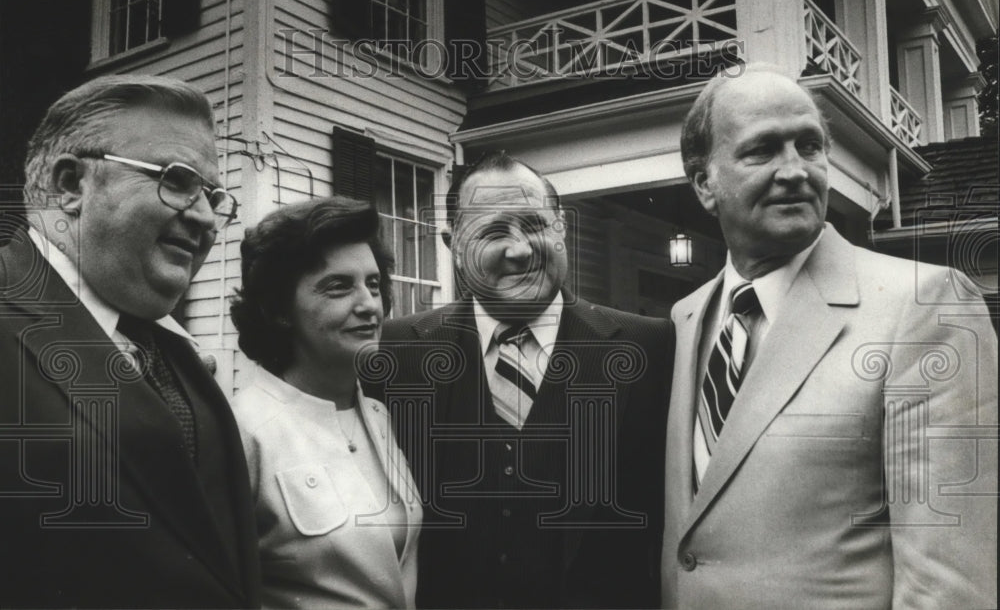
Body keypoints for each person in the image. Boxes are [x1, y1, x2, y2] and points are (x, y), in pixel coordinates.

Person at [661, 63, 998, 608]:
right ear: (705, 184)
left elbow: (950, 583)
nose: (795, 170)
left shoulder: (925, 306)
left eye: (809, 146)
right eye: (763, 149)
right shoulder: (686, 318)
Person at [369, 152, 672, 609]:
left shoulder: (650, 347)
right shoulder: (395, 352)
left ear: (562, 230)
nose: (520, 250)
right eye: (492, 232)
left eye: (535, 225)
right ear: (453, 244)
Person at [0, 75, 260, 608]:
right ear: (71, 186)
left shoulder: (173, 349)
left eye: (213, 195)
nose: (208, 218)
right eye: (177, 180)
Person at [230, 196, 423, 609]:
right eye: (339, 286)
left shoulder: (377, 415)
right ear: (279, 310)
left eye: (373, 284)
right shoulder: (242, 431)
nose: (369, 304)